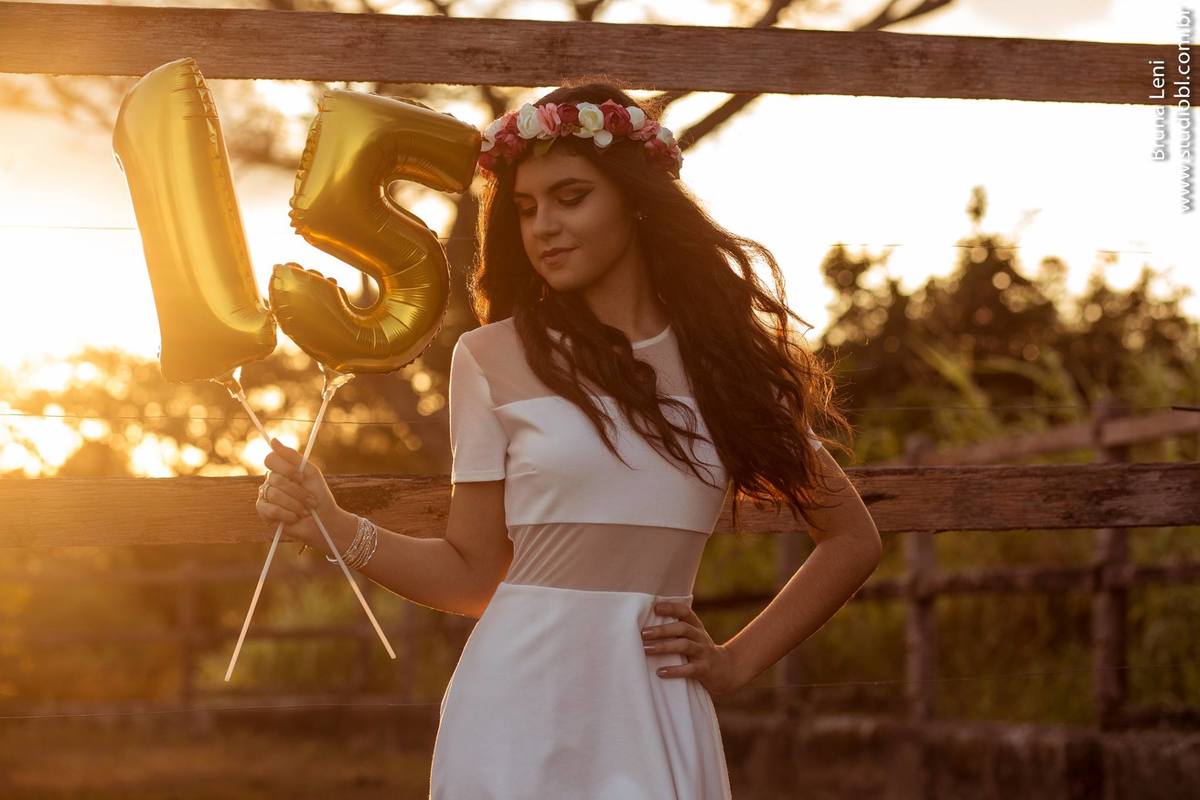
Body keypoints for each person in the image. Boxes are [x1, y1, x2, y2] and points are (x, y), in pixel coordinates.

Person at [255, 79, 882, 799]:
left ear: (635, 199)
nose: (543, 226)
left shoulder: (727, 372)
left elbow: (852, 541)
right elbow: (472, 575)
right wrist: (338, 528)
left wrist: (736, 664)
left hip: (652, 708)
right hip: (513, 711)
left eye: (571, 197)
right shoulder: (490, 358)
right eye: (525, 208)